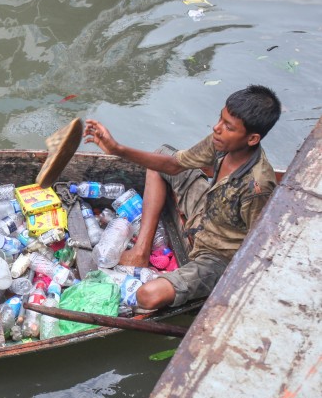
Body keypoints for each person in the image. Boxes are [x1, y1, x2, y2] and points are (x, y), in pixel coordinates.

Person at [84, 85, 281, 310]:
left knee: (148, 296)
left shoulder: (258, 187)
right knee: (160, 156)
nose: (217, 128)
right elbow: (174, 164)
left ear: (252, 138)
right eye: (220, 118)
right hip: (205, 211)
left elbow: (261, 248)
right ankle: (141, 251)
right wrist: (117, 148)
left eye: (228, 126)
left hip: (217, 255)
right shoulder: (221, 143)